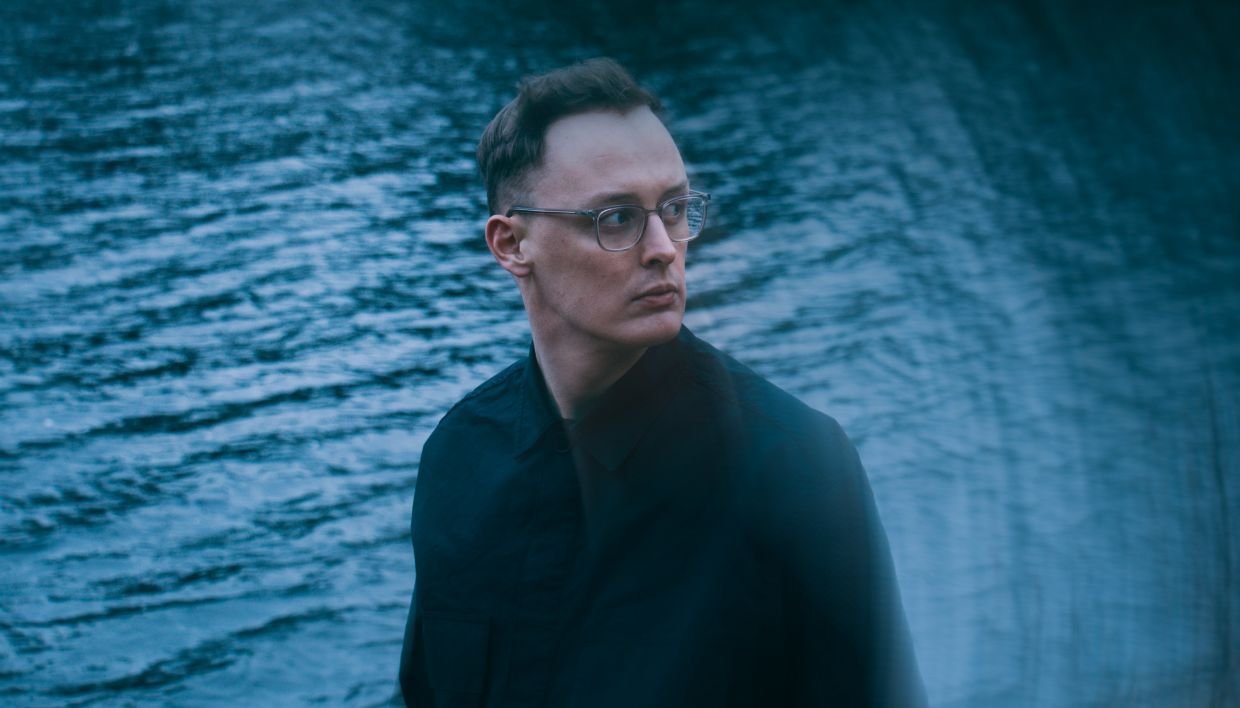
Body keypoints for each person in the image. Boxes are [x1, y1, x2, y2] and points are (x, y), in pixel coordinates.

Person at [398, 57, 925, 707]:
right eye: (616, 218)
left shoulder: (796, 466)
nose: (663, 248)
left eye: (673, 209)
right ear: (512, 245)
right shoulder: (458, 456)